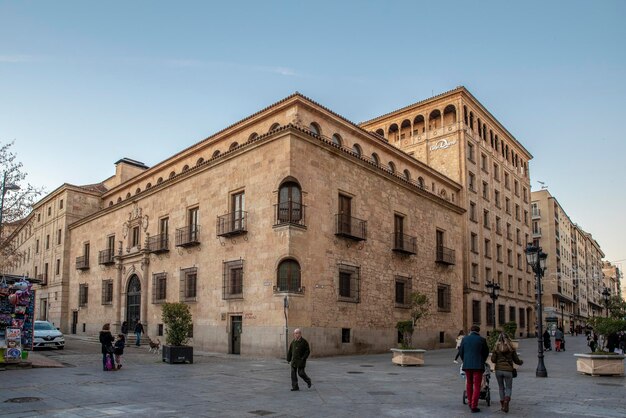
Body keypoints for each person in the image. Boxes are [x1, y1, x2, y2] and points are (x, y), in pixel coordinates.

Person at [459, 324, 489, 413]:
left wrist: (465, 360)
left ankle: (469, 403)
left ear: (470, 331)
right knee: (477, 385)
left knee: (469, 383)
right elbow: (486, 353)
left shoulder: (464, 339)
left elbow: (461, 352)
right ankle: (474, 405)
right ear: (478, 331)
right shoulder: (482, 340)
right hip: (478, 366)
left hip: (467, 365)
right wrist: (481, 360)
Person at [491, 332, 523, 413]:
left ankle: (502, 405)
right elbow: (516, 360)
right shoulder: (511, 348)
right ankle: (506, 401)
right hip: (508, 371)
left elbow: (493, 360)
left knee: (501, 387)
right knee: (508, 387)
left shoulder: (496, 348)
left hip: (498, 370)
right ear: (508, 338)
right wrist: (521, 362)